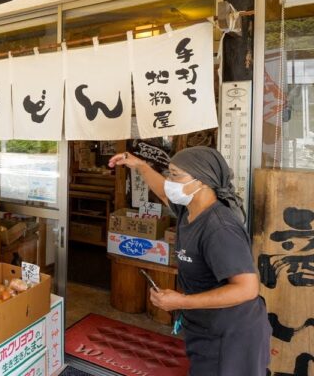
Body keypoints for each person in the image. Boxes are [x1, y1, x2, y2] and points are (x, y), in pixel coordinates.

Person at [108, 147, 271, 376]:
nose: (169, 181)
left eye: (176, 175)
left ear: (202, 181)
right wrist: (140, 165)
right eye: (169, 173)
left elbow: (247, 288)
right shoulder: (190, 208)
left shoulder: (219, 227)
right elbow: (164, 192)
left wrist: (181, 301)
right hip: (207, 325)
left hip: (232, 332)